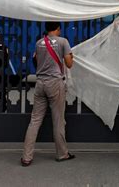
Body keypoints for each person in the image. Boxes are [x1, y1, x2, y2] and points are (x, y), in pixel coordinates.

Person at [21, 21, 74, 167]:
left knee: (35, 120)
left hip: (40, 83)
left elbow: (37, 61)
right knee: (58, 120)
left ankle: (26, 157)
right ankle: (62, 154)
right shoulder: (63, 41)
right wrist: (71, 56)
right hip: (55, 83)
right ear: (58, 29)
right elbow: (69, 64)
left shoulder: (39, 42)